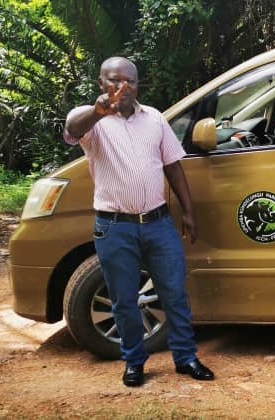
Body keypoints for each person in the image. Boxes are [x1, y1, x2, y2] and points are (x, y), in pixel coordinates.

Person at [63, 57, 214, 387]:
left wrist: (189, 212)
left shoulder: (155, 119)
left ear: (137, 83)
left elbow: (173, 166)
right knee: (124, 299)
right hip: (115, 227)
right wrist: (98, 111)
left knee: (174, 293)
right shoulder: (93, 123)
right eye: (114, 80)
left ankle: (185, 357)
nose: (123, 87)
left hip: (158, 223)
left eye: (129, 80)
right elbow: (72, 130)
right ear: (101, 83)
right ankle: (133, 362)